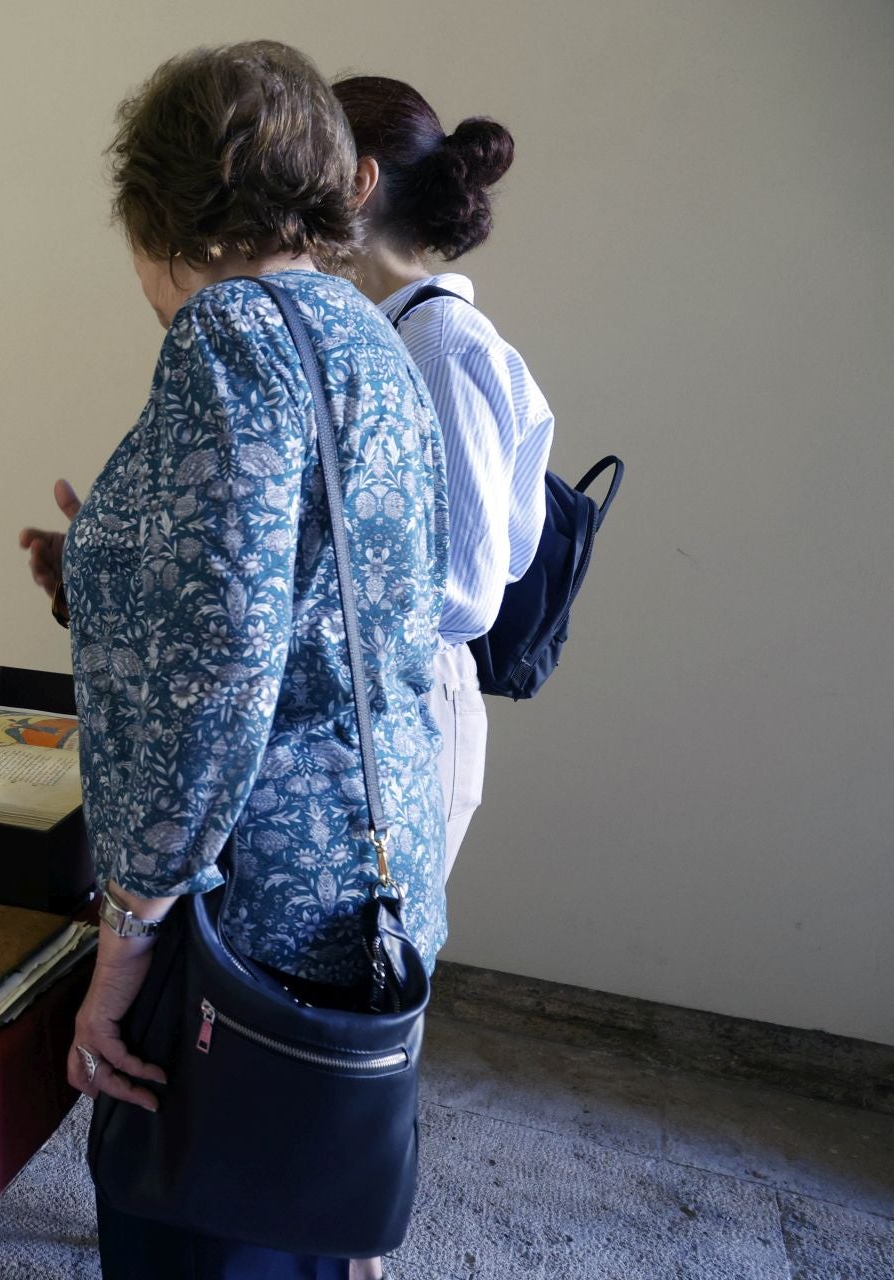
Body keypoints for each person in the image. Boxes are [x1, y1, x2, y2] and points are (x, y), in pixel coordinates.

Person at [20, 43, 448, 1279]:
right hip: (372, 863)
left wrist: (131, 930)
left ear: (159, 212)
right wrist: (102, 553)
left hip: (245, 904)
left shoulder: (229, 336)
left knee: (209, 1228)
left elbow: (217, 673)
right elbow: (338, 596)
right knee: (298, 1212)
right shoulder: (365, 338)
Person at [334, 76, 556, 880]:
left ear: (355, 181)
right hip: (384, 697)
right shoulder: (390, 333)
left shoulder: (438, 342)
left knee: (383, 978)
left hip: (417, 703)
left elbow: (466, 588)